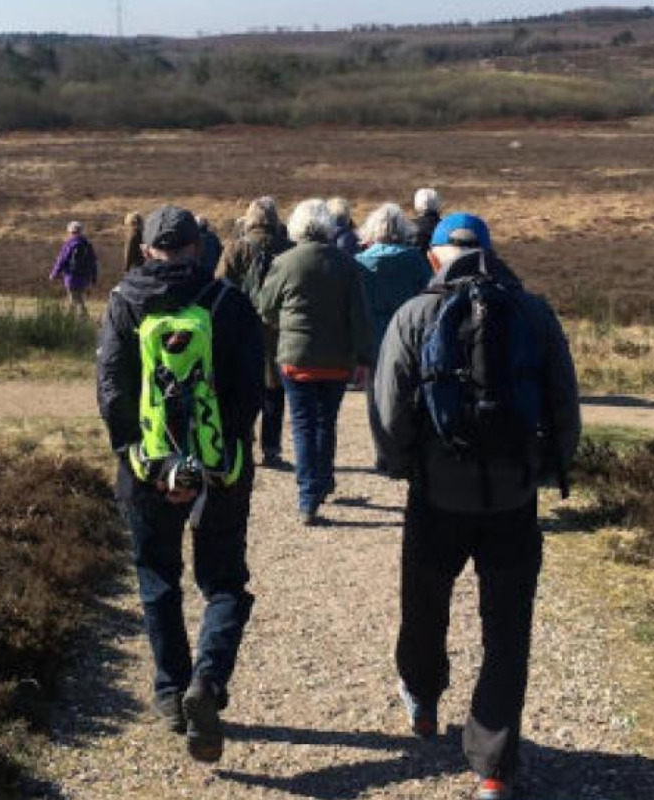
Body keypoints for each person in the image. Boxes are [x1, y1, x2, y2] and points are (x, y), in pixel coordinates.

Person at [372, 212, 581, 800]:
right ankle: (492, 766)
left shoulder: (414, 314)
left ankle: (423, 702)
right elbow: (565, 405)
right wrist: (544, 469)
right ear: (491, 252)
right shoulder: (534, 314)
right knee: (507, 628)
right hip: (512, 498)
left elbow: (388, 412)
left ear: (436, 256)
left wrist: (404, 466)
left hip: (437, 495)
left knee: (424, 603)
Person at [96, 204, 263, 764]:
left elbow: (114, 393)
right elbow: (248, 395)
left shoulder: (123, 302)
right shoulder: (230, 304)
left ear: (146, 250)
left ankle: (170, 695)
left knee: (158, 579)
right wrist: (220, 456)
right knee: (224, 583)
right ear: (198, 247)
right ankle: (207, 684)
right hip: (221, 469)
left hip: (147, 468)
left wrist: (144, 459)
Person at [257, 198, 372, 525]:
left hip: (296, 358)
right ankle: (322, 480)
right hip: (337, 360)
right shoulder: (347, 264)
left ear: (295, 226)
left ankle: (309, 495)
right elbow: (359, 316)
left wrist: (285, 325)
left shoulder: (285, 262)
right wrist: (363, 356)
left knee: (304, 424)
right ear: (327, 227)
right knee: (326, 421)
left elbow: (265, 307)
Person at [217, 198, 294, 469]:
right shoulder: (288, 249)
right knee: (274, 389)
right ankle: (271, 449)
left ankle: (242, 436)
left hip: (242, 325)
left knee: (243, 383)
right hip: (278, 328)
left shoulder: (235, 249)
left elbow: (220, 285)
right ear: (275, 219)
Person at [355, 203, 432, 470]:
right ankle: (405, 448)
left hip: (373, 338)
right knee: (408, 392)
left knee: (375, 396)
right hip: (409, 336)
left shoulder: (360, 263)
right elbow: (428, 293)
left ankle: (383, 452)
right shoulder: (414, 260)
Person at [49, 221, 98, 316]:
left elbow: (62, 260)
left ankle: (84, 319)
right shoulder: (87, 244)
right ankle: (70, 319)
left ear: (70, 232)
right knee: (76, 298)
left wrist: (54, 273)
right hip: (85, 277)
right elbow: (94, 262)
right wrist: (94, 278)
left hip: (72, 277)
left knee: (76, 300)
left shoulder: (70, 244)